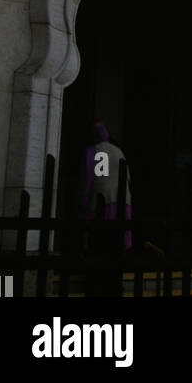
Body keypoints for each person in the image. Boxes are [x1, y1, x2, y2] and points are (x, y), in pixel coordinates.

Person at [81, 122, 133, 293]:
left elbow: (94, 179)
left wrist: (84, 202)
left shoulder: (95, 151)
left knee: (99, 242)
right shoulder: (118, 151)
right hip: (122, 202)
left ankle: (97, 280)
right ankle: (114, 280)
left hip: (101, 203)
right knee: (116, 245)